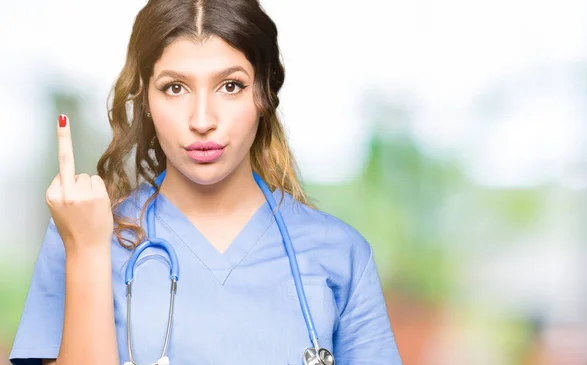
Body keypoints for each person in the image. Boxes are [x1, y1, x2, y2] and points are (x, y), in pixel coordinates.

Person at [9, 0, 402, 364]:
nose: (201, 120)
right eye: (175, 88)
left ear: (264, 93)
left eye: (230, 86)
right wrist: (87, 252)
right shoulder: (80, 235)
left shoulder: (341, 256)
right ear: (145, 98)